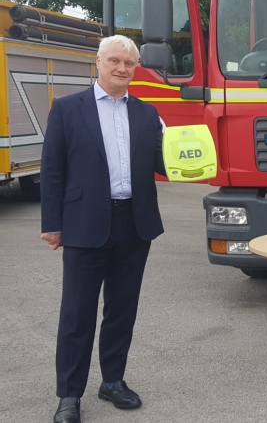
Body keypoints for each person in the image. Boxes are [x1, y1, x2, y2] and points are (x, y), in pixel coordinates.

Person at [40, 35, 167, 423]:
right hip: (84, 225)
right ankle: (69, 395)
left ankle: (112, 381)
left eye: (129, 63)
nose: (122, 68)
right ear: (97, 62)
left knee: (121, 310)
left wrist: (193, 154)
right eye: (114, 60)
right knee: (77, 314)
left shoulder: (148, 114)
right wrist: (52, 223)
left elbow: (166, 163)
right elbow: (52, 170)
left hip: (135, 222)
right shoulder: (66, 109)